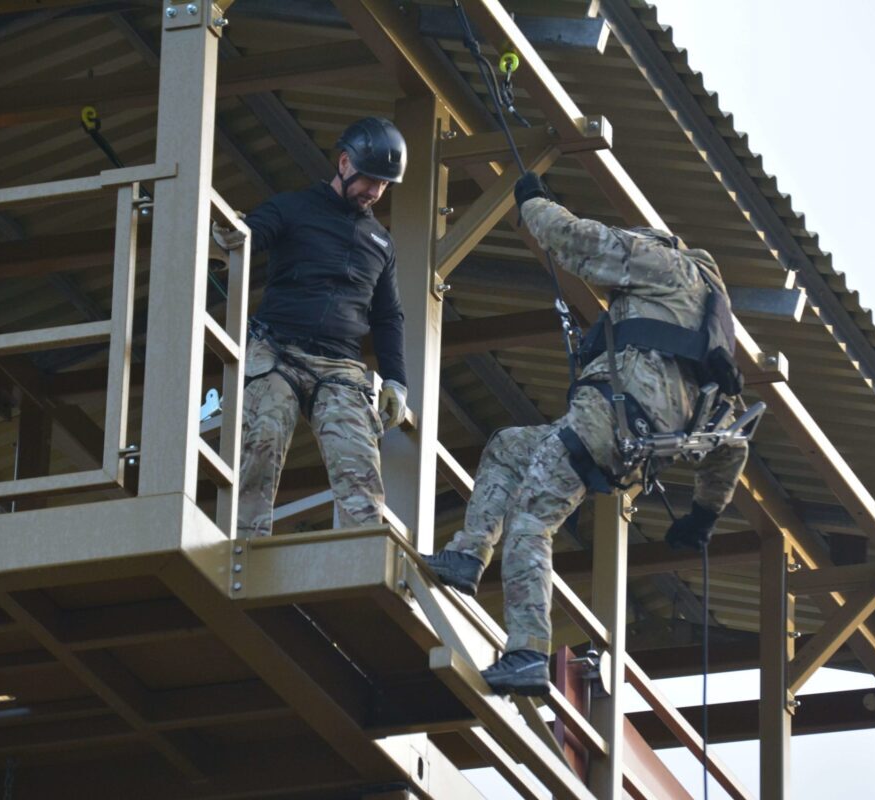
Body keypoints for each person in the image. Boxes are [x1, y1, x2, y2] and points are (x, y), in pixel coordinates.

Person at [425, 170, 749, 695]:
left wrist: (532, 202)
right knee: (509, 446)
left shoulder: (667, 267)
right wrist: (704, 515)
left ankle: (527, 651)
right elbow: (731, 445)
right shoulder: (710, 338)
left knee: (532, 518)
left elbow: (578, 243)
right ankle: (468, 554)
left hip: (607, 421)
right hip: (626, 444)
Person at [212, 117, 408, 540]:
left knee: (359, 464)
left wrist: (396, 380)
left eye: (384, 185)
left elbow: (388, 317)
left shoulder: (381, 243)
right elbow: (252, 233)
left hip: (340, 367)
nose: (375, 192)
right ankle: (243, 544)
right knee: (261, 441)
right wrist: (231, 233)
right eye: (370, 180)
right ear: (344, 163)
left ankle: (361, 559)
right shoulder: (293, 208)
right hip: (278, 352)